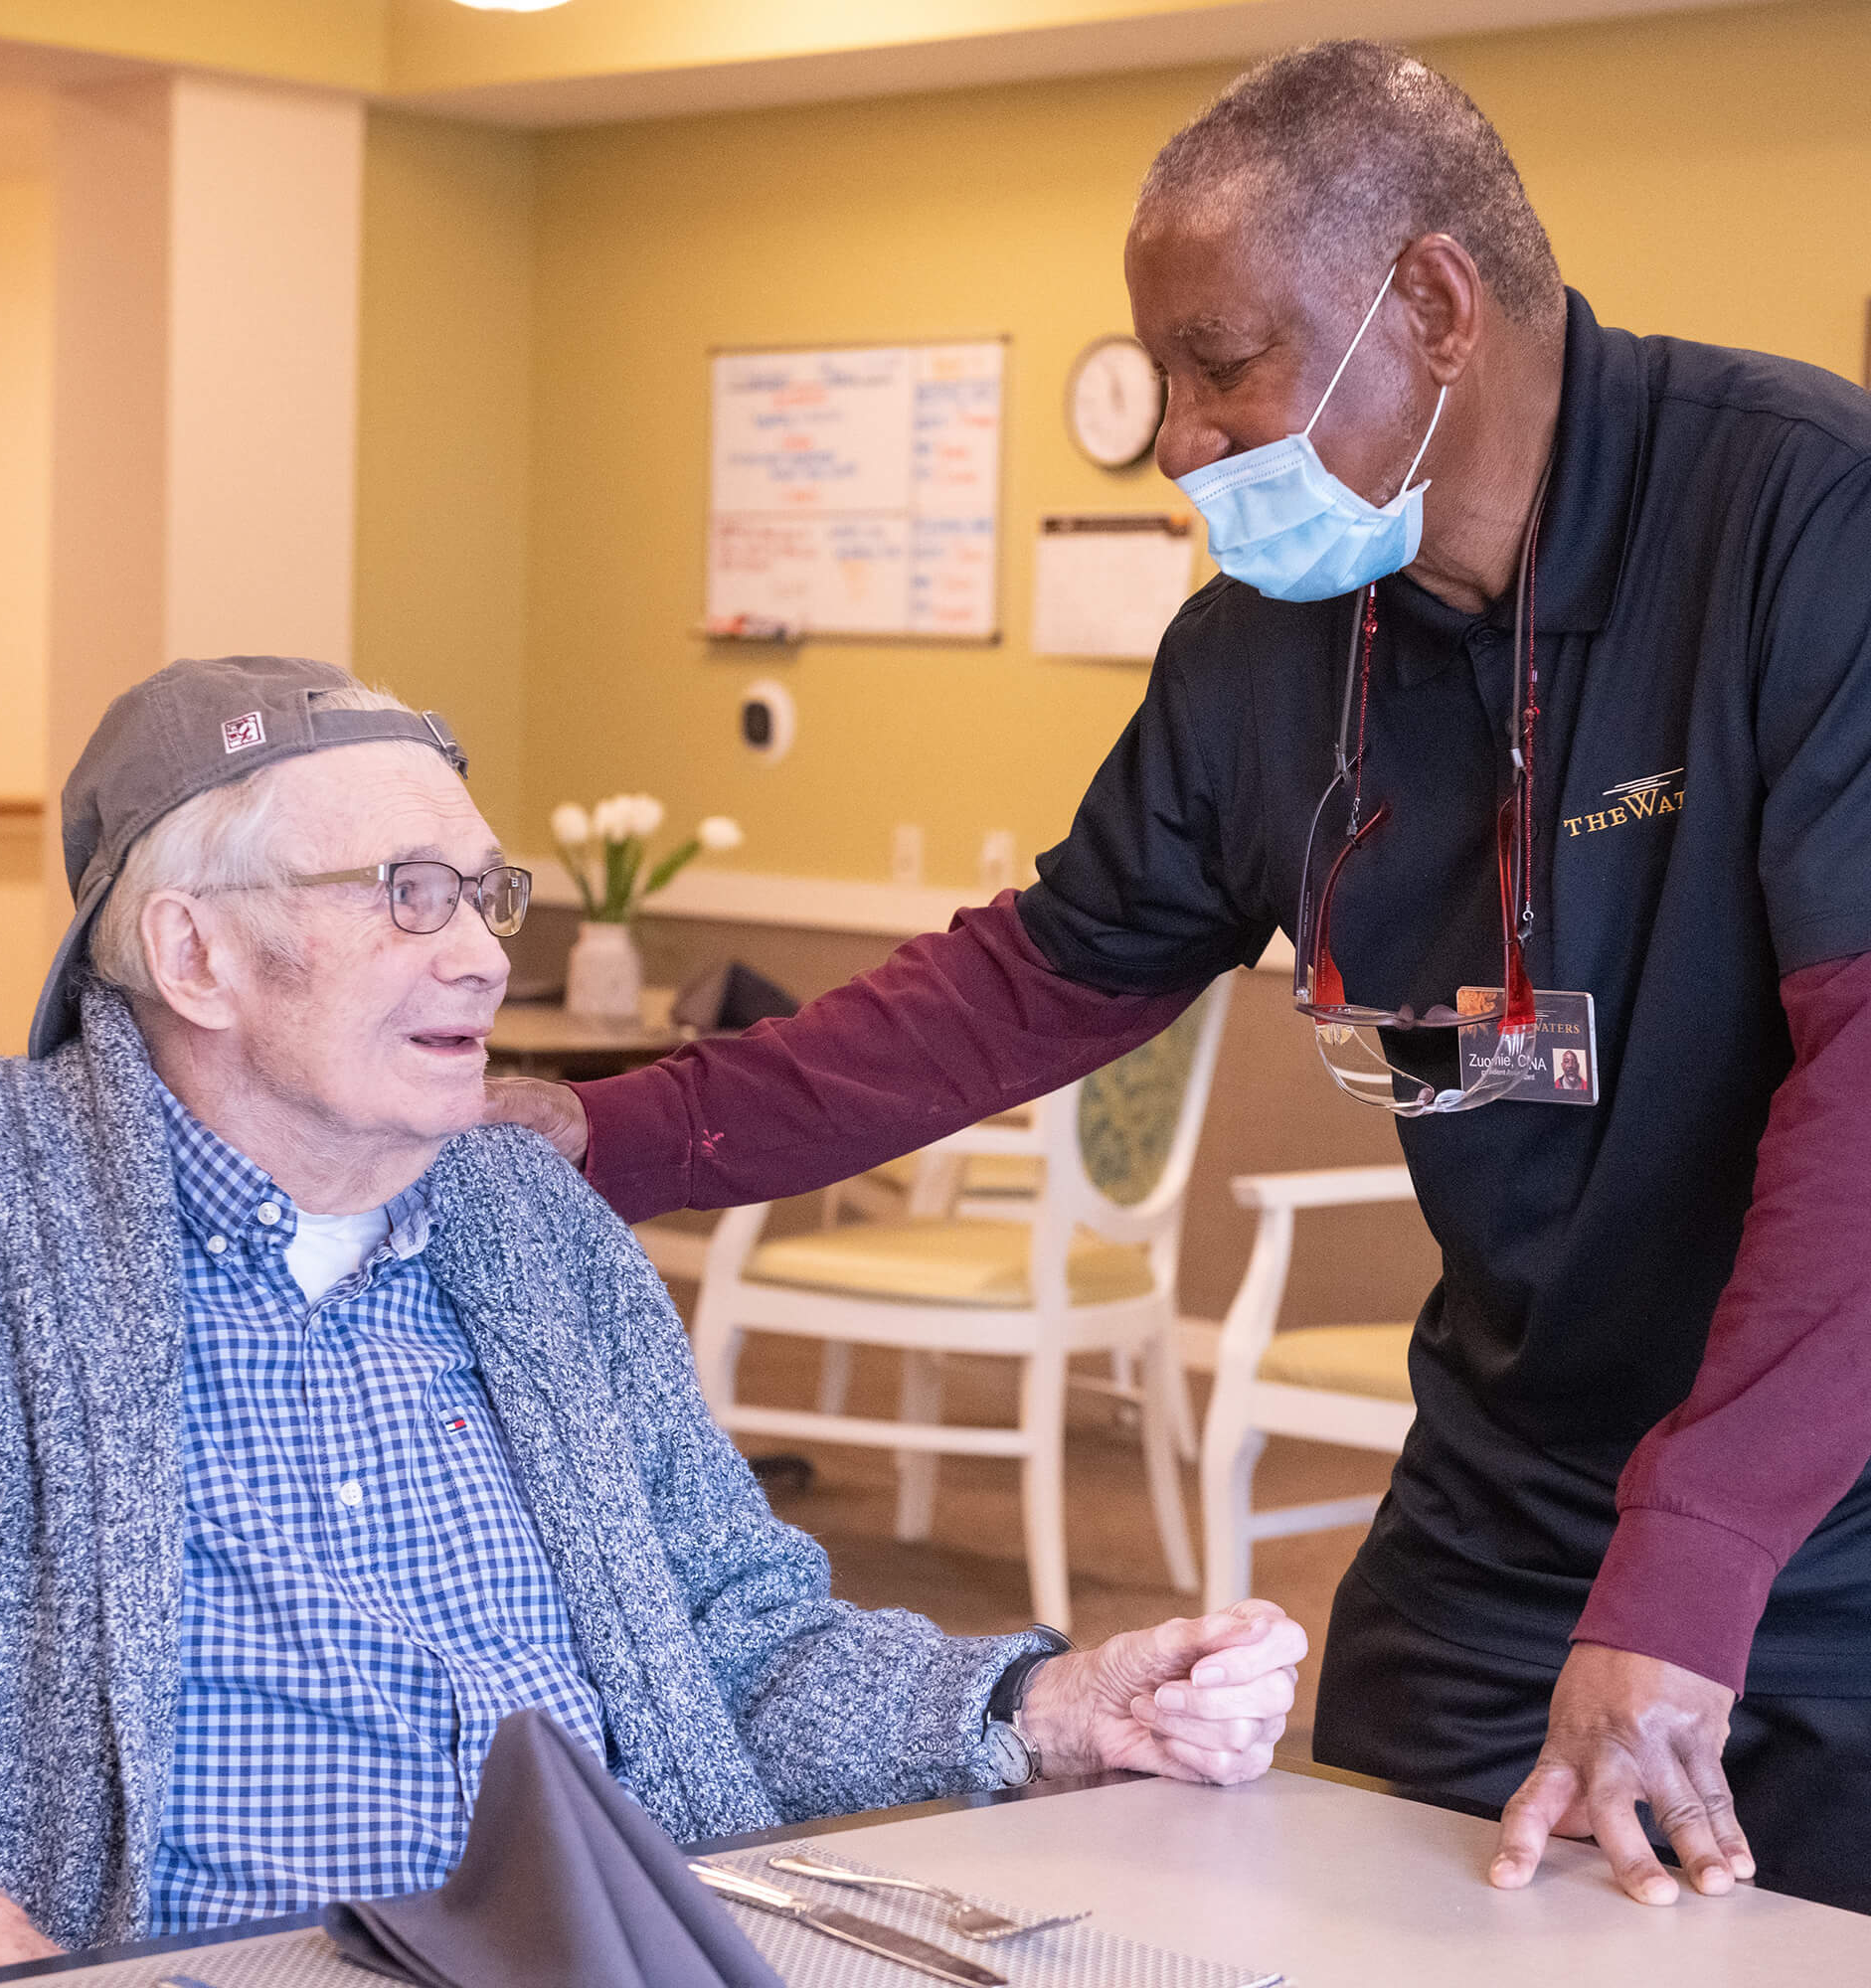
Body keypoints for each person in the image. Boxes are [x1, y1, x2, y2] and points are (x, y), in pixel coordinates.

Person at [493, 42, 1871, 1915]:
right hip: (1518, 1484)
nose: (1182, 441)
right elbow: (1033, 982)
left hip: (1833, 1491)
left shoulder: (1806, 525)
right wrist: (595, 1135)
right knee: (1368, 1919)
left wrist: (1693, 1570)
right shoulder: (1267, 650)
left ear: (1437, 308)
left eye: (1226, 367)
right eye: (1168, 382)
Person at [0, 656, 1307, 1984]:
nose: (488, 959)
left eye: (484, 895)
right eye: (407, 893)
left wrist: (1048, 1709)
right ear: (196, 954)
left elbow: (741, 1643)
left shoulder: (526, 1222)